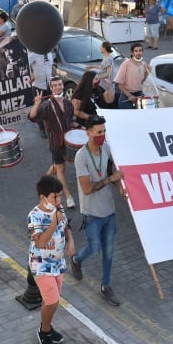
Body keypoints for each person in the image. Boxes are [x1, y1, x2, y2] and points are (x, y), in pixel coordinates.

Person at [69, 115, 127, 307]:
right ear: (89, 133)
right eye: (99, 132)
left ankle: (106, 285)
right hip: (91, 213)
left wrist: (119, 187)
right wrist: (111, 180)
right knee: (94, 249)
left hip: (108, 210)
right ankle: (76, 260)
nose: (103, 135)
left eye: (104, 131)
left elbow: (111, 172)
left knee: (108, 251)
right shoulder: (81, 157)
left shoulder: (106, 149)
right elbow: (87, 189)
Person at [28, 174, 75, 344]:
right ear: (43, 197)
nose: (59, 200)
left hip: (58, 262)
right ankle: (44, 331)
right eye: (55, 197)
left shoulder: (59, 209)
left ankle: (46, 327)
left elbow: (66, 226)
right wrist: (54, 221)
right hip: (41, 264)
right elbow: (40, 242)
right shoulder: (34, 216)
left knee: (50, 301)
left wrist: (71, 241)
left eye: (60, 196)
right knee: (53, 301)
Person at [28, 75, 77, 209]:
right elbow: (32, 117)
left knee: (56, 166)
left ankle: (43, 179)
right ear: (51, 88)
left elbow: (70, 121)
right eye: (54, 86)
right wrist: (36, 104)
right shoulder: (47, 105)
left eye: (59, 84)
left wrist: (80, 127)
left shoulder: (68, 103)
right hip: (55, 142)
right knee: (61, 168)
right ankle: (68, 197)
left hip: (67, 141)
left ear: (63, 86)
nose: (57, 87)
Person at [28, 50, 56, 138]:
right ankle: (41, 129)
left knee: (51, 106)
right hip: (38, 86)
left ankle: (51, 127)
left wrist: (54, 80)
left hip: (49, 85)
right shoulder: (33, 54)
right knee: (39, 108)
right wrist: (31, 74)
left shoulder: (50, 54)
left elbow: (52, 67)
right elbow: (26, 65)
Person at [114, 43, 151, 109]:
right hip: (127, 96)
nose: (138, 53)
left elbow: (141, 82)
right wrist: (129, 95)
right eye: (136, 51)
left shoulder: (144, 64)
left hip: (139, 95)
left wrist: (147, 74)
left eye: (140, 50)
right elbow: (118, 83)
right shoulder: (126, 63)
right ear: (132, 52)